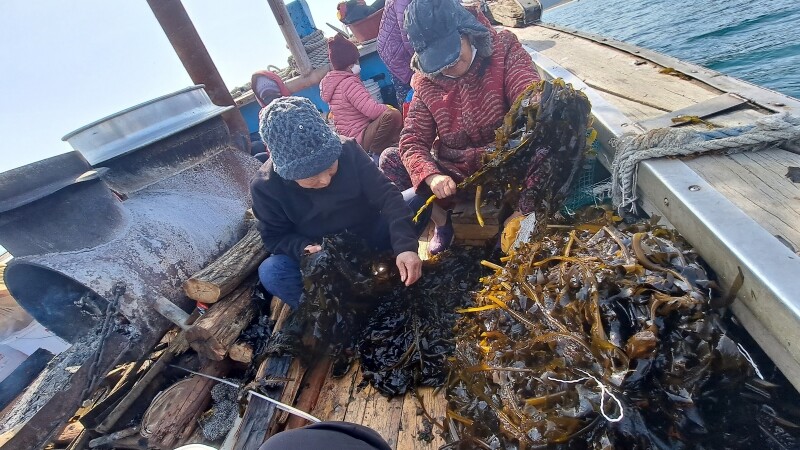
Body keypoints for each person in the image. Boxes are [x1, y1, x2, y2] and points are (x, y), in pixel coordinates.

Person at [378, 0, 542, 250]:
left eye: (452, 56)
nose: (448, 68)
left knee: (550, 128)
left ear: (467, 32)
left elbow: (526, 89)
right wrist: (432, 176)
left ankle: (524, 214)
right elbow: (412, 141)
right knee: (390, 159)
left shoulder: (504, 48)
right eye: (438, 63)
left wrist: (534, 99)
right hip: (459, 177)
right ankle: (443, 223)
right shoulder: (425, 82)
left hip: (509, 163)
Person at [251, 96, 425, 311]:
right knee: (272, 271)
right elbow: (274, 237)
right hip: (325, 256)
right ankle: (331, 313)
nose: (325, 180)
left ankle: (394, 263)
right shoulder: (265, 187)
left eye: (331, 169)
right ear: (287, 174)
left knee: (418, 198)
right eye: (311, 179)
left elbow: (388, 196)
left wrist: (405, 246)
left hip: (371, 234)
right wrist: (303, 248)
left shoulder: (348, 149)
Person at [320, 33, 403, 158]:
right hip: (359, 138)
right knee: (393, 115)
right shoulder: (349, 83)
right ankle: (375, 154)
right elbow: (372, 111)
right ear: (350, 65)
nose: (358, 64)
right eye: (356, 61)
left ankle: (385, 147)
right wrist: (389, 108)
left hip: (350, 138)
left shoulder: (333, 83)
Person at [377, 0, 414, 106]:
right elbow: (409, 34)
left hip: (393, 47)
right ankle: (408, 119)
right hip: (395, 53)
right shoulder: (402, 2)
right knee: (408, 95)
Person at [250, 70, 292, 161]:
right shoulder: (298, 104)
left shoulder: (295, 107)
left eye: (273, 94)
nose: (271, 99)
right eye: (265, 97)